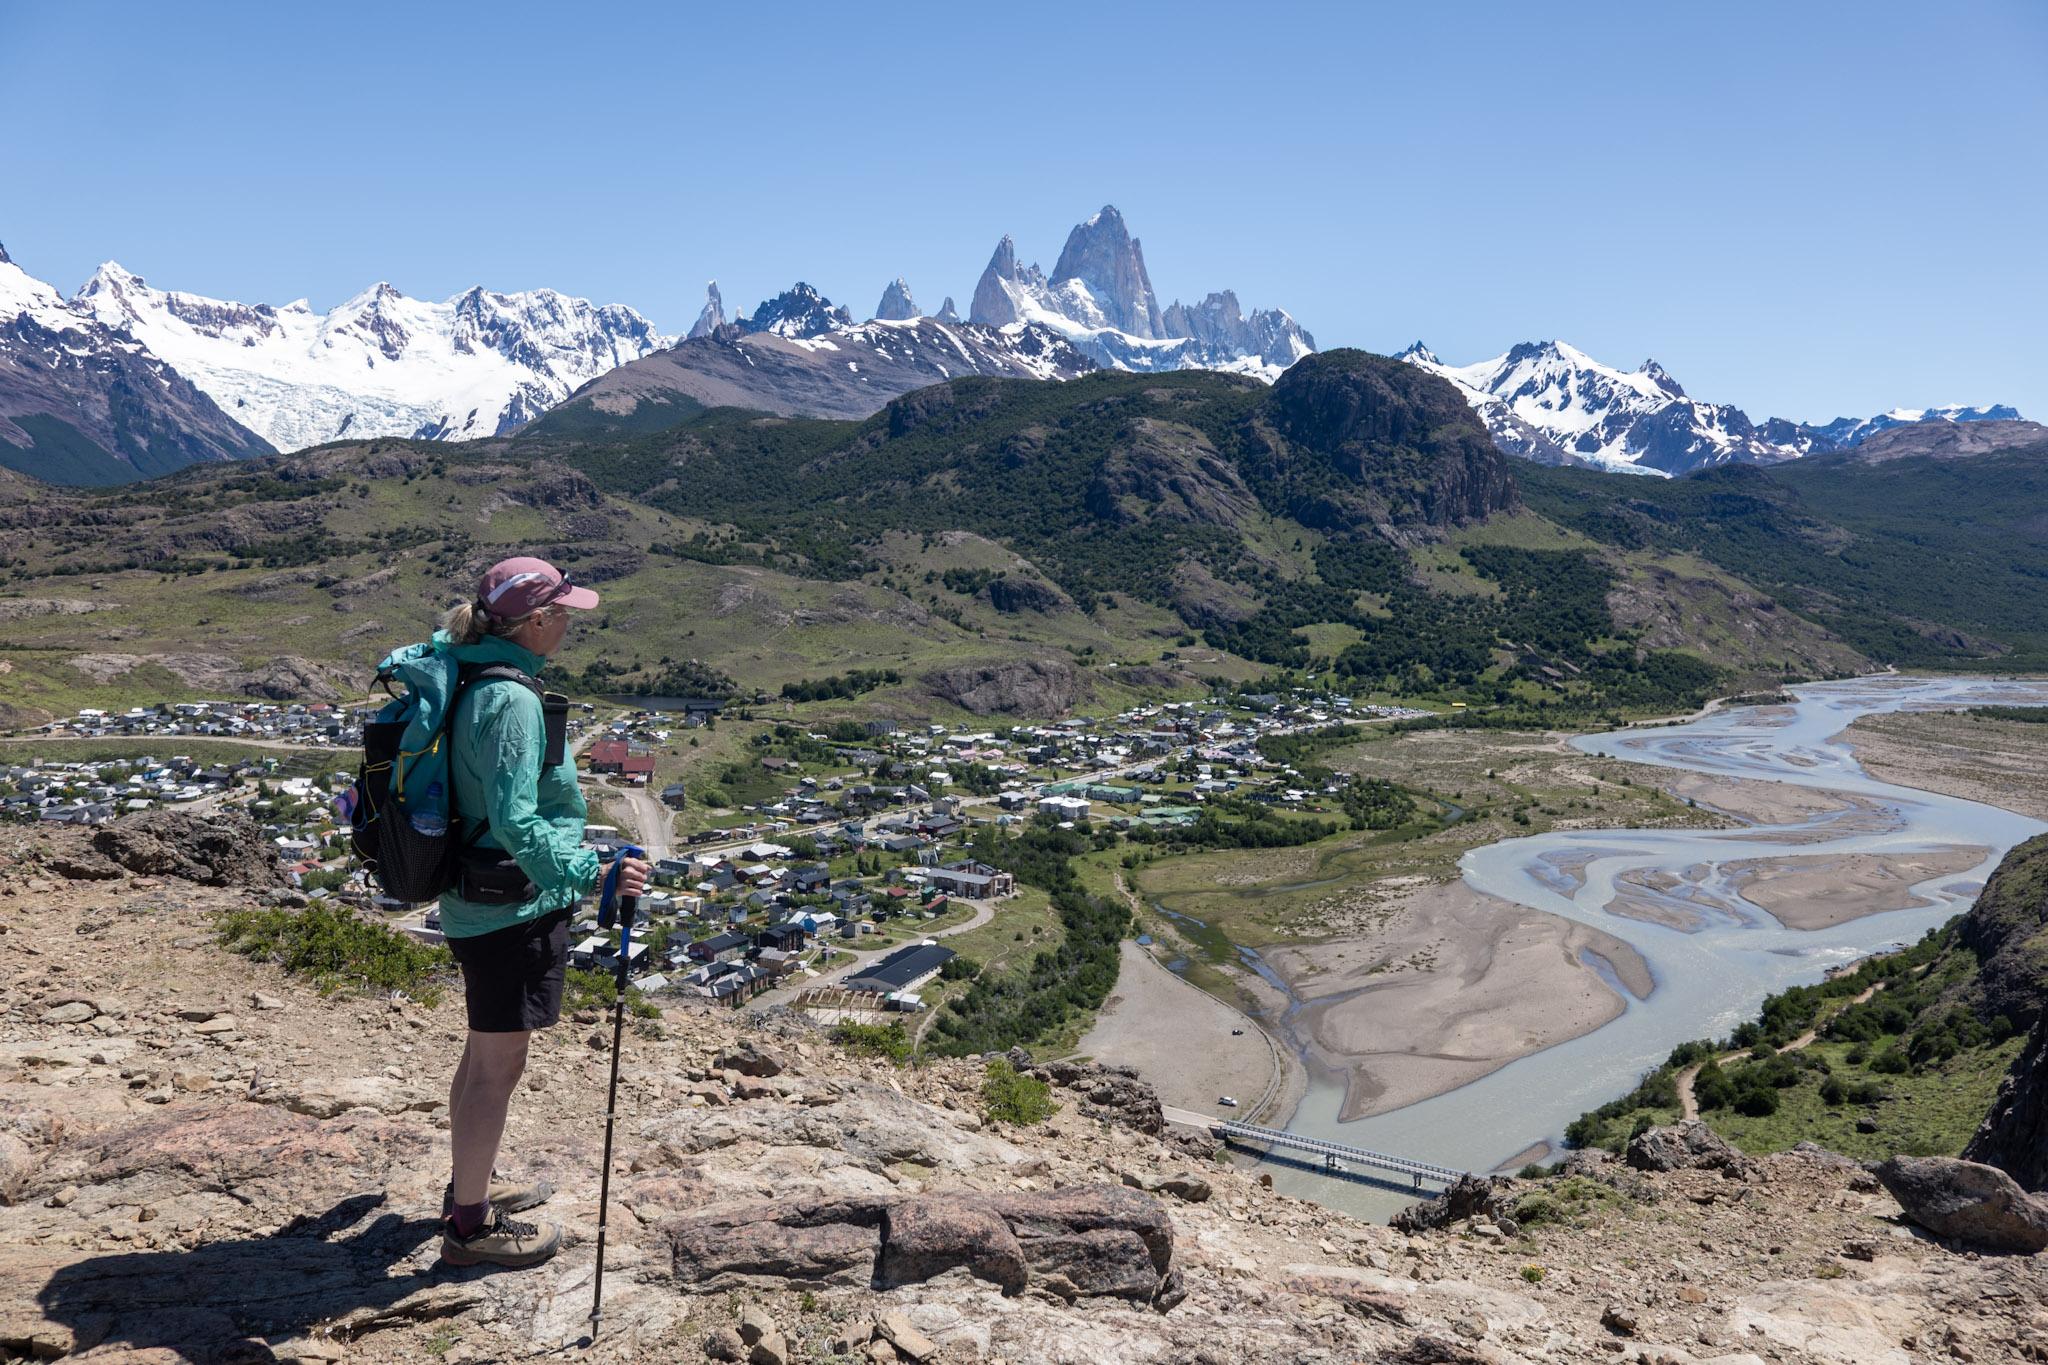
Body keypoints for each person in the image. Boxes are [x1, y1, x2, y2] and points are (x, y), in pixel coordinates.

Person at [431, 556, 650, 1269]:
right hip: (510, 910)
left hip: (478, 898)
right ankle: (469, 1227)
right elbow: (519, 822)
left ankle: (471, 1184)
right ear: (533, 622)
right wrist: (591, 870)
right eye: (562, 614)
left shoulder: (472, 673)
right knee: (497, 1066)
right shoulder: (514, 700)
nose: (568, 625)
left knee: (481, 1058)